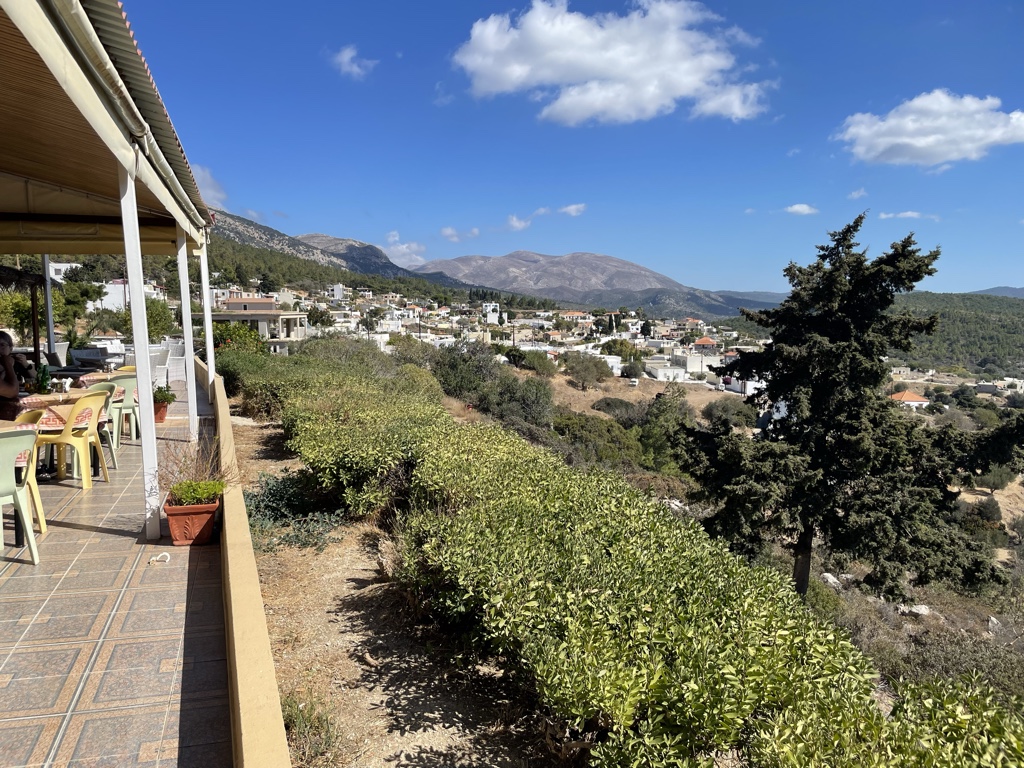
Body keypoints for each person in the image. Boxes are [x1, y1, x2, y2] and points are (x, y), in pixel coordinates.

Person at [0, 331, 34, 420]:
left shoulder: (15, 362)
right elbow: (12, 391)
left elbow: (34, 379)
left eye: (2, 345)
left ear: (10, 348)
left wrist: (26, 364)